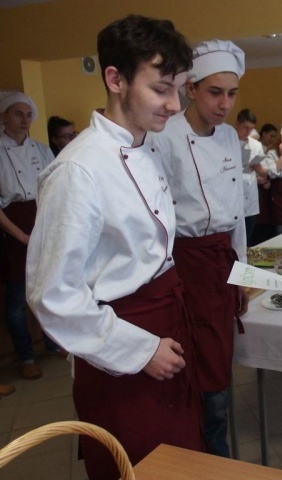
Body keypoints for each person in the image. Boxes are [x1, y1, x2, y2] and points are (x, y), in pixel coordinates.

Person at [26, 15, 203, 480]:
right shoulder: (77, 171)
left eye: (179, 89)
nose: (174, 105)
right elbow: (52, 295)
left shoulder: (148, 145)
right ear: (115, 79)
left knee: (181, 464)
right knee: (138, 465)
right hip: (123, 345)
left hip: (167, 326)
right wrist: (138, 350)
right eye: (161, 89)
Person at [152, 39, 249, 458]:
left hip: (221, 261)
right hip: (183, 264)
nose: (225, 104)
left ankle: (214, 446)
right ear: (190, 89)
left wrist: (241, 274)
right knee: (192, 362)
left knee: (217, 359)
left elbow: (236, 214)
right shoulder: (164, 137)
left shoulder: (228, 137)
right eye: (215, 92)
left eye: (232, 93)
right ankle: (205, 448)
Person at [0, 92, 58, 380]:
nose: (25, 120)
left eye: (28, 115)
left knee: (49, 289)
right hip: (11, 226)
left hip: (42, 219)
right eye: (17, 114)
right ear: (3, 117)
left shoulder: (41, 149)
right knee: (16, 299)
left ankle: (53, 342)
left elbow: (54, 187)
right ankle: (26, 357)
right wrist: (21, 235)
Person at [236, 108, 267, 243]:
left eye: (251, 128)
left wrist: (260, 169)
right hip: (235, 190)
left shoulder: (256, 145)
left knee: (249, 233)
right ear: (237, 124)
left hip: (251, 191)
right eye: (245, 128)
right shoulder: (228, 141)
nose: (248, 131)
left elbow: (264, 171)